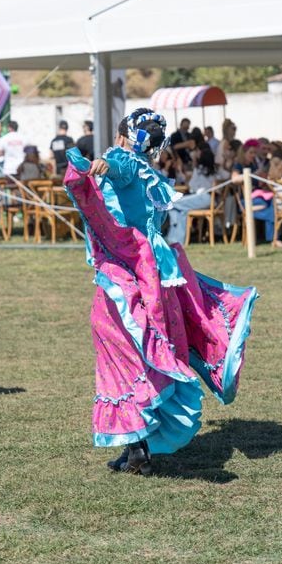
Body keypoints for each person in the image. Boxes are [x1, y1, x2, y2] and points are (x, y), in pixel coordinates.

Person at [63, 108, 258, 475]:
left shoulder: (123, 161)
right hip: (159, 270)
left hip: (133, 269)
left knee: (123, 347)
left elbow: (114, 165)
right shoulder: (147, 170)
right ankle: (137, 441)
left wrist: (104, 162)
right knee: (145, 345)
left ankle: (137, 446)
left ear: (123, 135)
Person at [165, 147, 220, 245]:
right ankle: (176, 239)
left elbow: (191, 186)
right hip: (212, 200)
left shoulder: (199, 169)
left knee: (172, 202)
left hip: (202, 197)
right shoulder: (215, 169)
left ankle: (173, 236)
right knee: (182, 210)